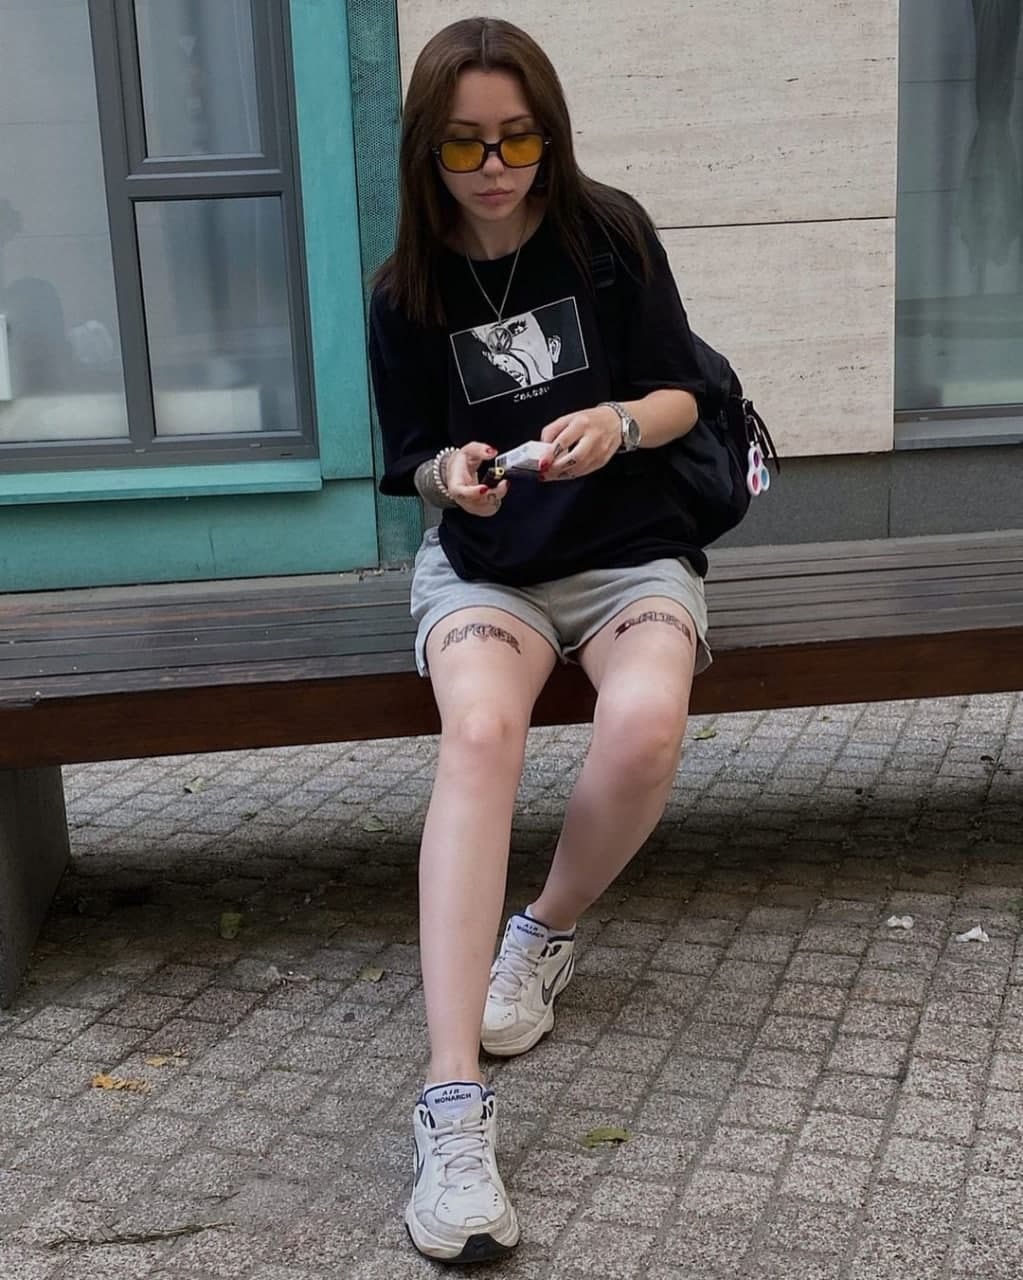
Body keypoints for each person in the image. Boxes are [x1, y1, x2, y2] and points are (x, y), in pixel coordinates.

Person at [369, 16, 712, 1265]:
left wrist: (618, 423)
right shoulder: (405, 288)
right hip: (490, 569)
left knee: (647, 722)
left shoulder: (608, 234)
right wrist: (448, 475)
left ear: (551, 135)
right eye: (465, 143)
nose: (495, 165)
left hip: (630, 548)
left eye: (519, 138)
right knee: (479, 733)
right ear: (428, 149)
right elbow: (408, 456)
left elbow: (686, 392)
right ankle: (451, 1103)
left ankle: (543, 932)